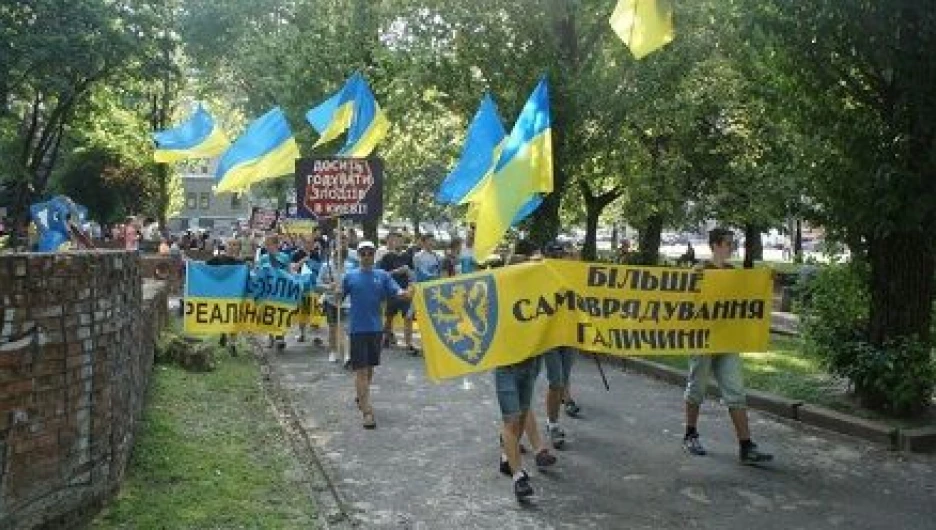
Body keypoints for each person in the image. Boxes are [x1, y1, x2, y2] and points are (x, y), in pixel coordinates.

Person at [682, 227, 774, 464]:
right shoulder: (700, 270)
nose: (732, 247)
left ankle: (746, 446)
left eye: (733, 243)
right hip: (702, 340)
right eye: (728, 243)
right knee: (697, 389)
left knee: (736, 392)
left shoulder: (733, 272)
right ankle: (690, 434)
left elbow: (747, 297)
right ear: (715, 245)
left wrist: (765, 281)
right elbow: (687, 302)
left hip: (727, 340)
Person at [494, 239, 556, 502]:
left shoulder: (541, 296)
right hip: (506, 366)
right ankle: (519, 477)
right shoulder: (500, 293)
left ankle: (508, 459)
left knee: (519, 419)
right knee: (511, 419)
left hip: (530, 365)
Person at [337, 241, 412, 429]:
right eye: (363, 253)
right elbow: (338, 297)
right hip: (357, 330)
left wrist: (406, 293)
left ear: (374, 255)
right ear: (359, 255)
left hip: (375, 330)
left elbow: (397, 292)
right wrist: (336, 292)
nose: (367, 256)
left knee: (369, 370)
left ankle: (361, 395)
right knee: (361, 370)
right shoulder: (350, 276)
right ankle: (367, 412)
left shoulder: (383, 275)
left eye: (370, 252)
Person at [377, 232, 416, 352]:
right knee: (389, 317)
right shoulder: (387, 257)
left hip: (406, 291)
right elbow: (382, 275)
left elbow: (413, 274)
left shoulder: (408, 256)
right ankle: (386, 337)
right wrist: (397, 271)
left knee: (408, 317)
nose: (398, 242)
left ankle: (408, 344)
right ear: (392, 242)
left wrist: (410, 277)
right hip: (392, 291)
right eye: (396, 240)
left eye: (401, 240)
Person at [317, 245, 351, 364]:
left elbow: (351, 284)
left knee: (345, 328)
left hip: (345, 302)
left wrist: (343, 290)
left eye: (342, 257)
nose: (339, 260)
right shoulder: (325, 267)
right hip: (330, 301)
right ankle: (333, 351)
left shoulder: (349, 267)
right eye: (337, 256)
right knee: (332, 328)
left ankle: (347, 355)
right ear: (334, 255)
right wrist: (328, 287)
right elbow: (318, 284)